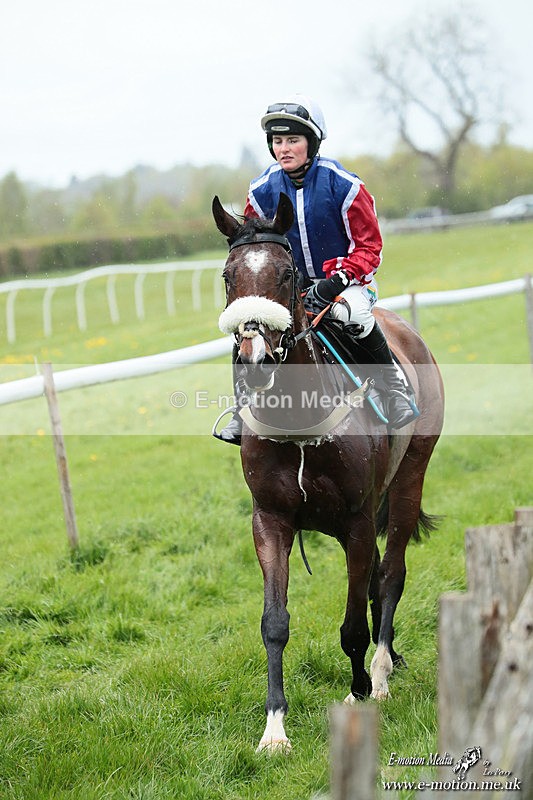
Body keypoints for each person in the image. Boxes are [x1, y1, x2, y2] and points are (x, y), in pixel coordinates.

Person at [214, 94, 417, 445]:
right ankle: (241, 407)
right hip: (290, 288)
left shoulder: (345, 185)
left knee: (354, 316)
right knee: (250, 326)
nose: (284, 149)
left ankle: (394, 388)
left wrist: (335, 282)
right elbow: (254, 245)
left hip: (348, 284)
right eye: (278, 141)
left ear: (312, 142)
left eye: (293, 140)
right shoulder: (261, 190)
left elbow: (370, 248)